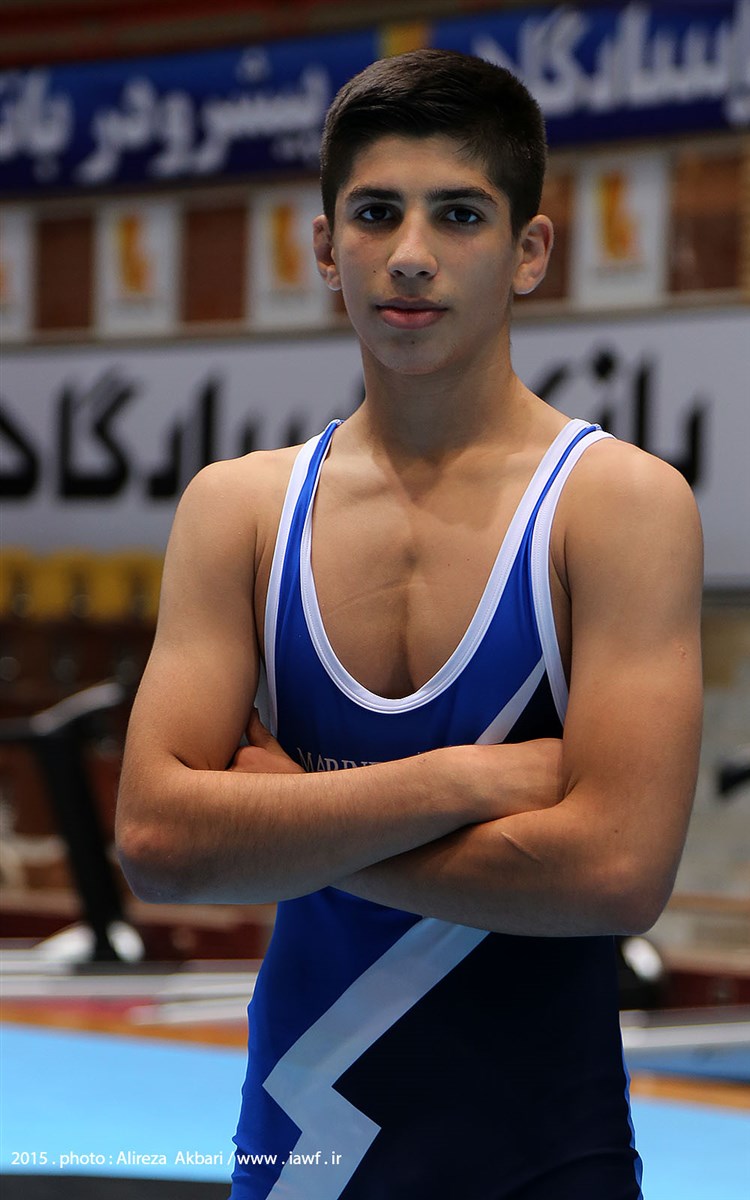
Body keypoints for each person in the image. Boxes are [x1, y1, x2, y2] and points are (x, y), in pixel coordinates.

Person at [116, 49, 703, 1200]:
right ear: (325, 246)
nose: (413, 253)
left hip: (544, 1164)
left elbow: (617, 873)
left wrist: (285, 818)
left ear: (530, 251)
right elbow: (156, 841)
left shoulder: (618, 507)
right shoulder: (240, 510)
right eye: (376, 213)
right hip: (299, 1163)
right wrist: (465, 782)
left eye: (461, 215)